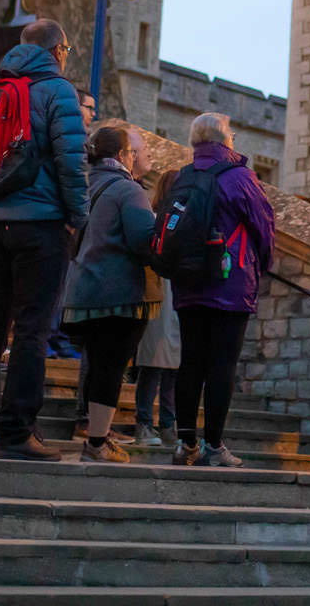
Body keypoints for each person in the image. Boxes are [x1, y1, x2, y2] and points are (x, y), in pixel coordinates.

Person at [0, 18, 88, 462]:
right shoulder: (57, 91)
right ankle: (16, 430)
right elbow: (72, 161)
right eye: (66, 51)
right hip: (39, 223)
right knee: (32, 328)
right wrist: (77, 217)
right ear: (57, 51)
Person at [170, 112, 274, 468]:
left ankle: (185, 443)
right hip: (230, 282)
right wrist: (262, 266)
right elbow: (264, 226)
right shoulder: (240, 177)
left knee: (190, 362)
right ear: (223, 139)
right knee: (222, 364)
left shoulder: (183, 176)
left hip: (187, 282)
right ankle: (214, 445)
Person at [61, 125, 161, 462]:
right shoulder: (128, 189)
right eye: (132, 152)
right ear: (121, 155)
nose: (134, 157)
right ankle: (97, 443)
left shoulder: (86, 185)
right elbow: (143, 239)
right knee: (111, 368)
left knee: (97, 364)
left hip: (83, 289)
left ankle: (96, 438)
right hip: (119, 293)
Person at [133, 162, 183, 446]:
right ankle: (144, 423)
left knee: (173, 365)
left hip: (177, 294)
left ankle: (167, 424)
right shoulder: (154, 220)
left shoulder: (182, 222)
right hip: (158, 293)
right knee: (153, 362)